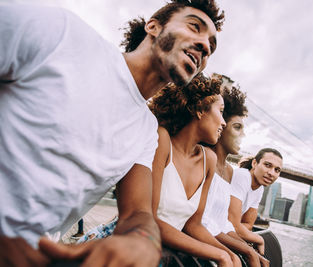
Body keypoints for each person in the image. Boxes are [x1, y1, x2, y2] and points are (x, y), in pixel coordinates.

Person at [0, 0, 224, 266]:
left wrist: (142, 241)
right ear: (153, 26)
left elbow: (138, 213)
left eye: (211, 46)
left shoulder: (146, 131)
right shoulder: (61, 33)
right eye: (194, 27)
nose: (205, 46)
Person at [149, 73, 241, 267]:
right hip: (136, 245)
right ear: (200, 110)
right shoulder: (162, 141)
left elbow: (193, 224)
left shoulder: (209, 160)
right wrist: (219, 255)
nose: (224, 123)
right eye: (221, 111)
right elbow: (148, 218)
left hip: (165, 254)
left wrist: (229, 254)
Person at [201, 76, 269, 267]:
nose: (243, 135)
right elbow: (202, 223)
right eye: (237, 127)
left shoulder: (229, 171)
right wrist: (245, 251)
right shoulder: (205, 158)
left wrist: (249, 249)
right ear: (221, 125)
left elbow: (223, 223)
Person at [228, 148, 283, 257]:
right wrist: (259, 239)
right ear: (254, 163)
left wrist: (238, 227)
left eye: (277, 170)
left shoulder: (259, 189)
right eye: (267, 165)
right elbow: (232, 225)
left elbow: (248, 225)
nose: (271, 173)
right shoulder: (242, 176)